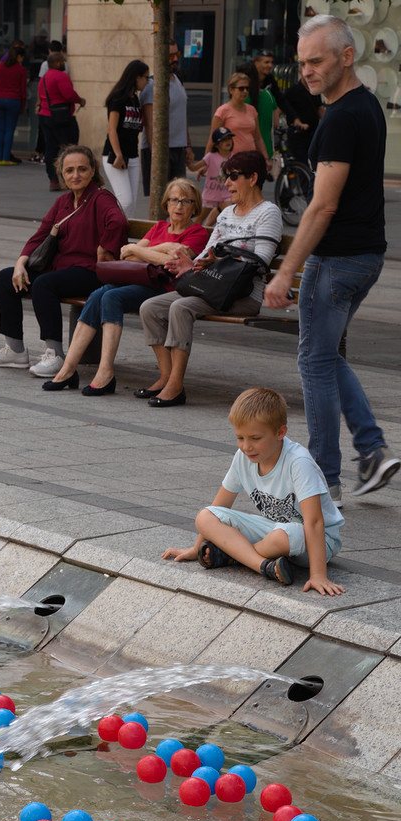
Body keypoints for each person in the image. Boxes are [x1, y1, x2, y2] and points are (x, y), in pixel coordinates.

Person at [265, 15, 397, 497]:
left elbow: (322, 205)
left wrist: (285, 271)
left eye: (316, 60)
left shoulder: (341, 117)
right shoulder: (365, 106)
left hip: (338, 258)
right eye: (301, 63)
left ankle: (323, 479)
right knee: (323, 354)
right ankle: (372, 451)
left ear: (346, 56)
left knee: (314, 361)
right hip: (366, 256)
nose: (306, 71)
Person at [163, 388, 343, 594]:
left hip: (318, 541)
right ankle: (263, 566)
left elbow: (315, 521)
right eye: (240, 438)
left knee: (283, 536)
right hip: (277, 530)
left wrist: (318, 575)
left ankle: (231, 556)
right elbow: (220, 505)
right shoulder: (243, 458)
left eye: (255, 438)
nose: (247, 446)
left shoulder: (298, 462)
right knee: (205, 516)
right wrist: (196, 549)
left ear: (280, 432)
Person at [139, 149, 282, 407]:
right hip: (211, 286)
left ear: (253, 178)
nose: (226, 183)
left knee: (180, 307)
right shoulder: (226, 214)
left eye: (233, 176)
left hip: (242, 294)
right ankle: (166, 376)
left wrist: (218, 259)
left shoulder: (267, 212)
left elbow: (261, 260)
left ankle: (175, 387)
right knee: (150, 307)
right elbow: (208, 251)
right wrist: (192, 263)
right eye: (226, 176)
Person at [43, 177, 207, 394]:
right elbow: (124, 254)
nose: (179, 206)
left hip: (167, 289)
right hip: (142, 281)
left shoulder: (197, 233)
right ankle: (68, 369)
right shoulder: (159, 227)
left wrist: (140, 251)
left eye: (186, 201)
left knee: (111, 297)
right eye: (174, 200)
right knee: (98, 294)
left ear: (195, 206)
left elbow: (173, 261)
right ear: (166, 203)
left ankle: (105, 371)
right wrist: (163, 247)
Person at [0, 145, 127, 375]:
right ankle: (15, 350)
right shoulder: (64, 202)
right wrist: (20, 264)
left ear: (92, 171)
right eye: (69, 171)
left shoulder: (101, 198)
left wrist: (104, 249)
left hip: (90, 271)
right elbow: (40, 235)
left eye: (81, 169)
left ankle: (55, 354)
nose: (75, 175)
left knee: (44, 284)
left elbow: (118, 222)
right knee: (6, 278)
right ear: (62, 174)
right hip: (62, 269)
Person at [140, 42, 190, 198]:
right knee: (160, 199)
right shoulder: (152, 86)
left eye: (177, 55)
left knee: (180, 198)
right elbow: (149, 123)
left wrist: (188, 145)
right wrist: (156, 154)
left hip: (179, 148)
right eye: (170, 56)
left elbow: (183, 116)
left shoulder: (178, 80)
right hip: (159, 151)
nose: (175, 59)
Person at [102, 59, 148, 213]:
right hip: (115, 155)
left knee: (132, 204)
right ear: (137, 77)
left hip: (133, 156)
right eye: (146, 78)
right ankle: (108, 227)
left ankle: (123, 235)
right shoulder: (118, 98)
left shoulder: (135, 99)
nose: (147, 82)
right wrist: (118, 154)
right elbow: (112, 129)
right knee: (125, 201)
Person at [38, 52, 82, 190]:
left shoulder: (43, 78)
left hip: (45, 115)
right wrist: (80, 100)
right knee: (70, 148)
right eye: (63, 61)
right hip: (61, 117)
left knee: (50, 149)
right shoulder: (62, 76)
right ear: (57, 63)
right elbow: (68, 94)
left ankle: (53, 180)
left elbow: (41, 96)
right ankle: (69, 179)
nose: (64, 63)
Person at [0, 43, 26, 165]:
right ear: (18, 57)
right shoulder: (21, 70)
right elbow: (22, 90)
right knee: (9, 130)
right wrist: (23, 106)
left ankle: (0, 157)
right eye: (22, 57)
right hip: (13, 100)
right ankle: (6, 157)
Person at [214, 72, 266, 158]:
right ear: (231, 90)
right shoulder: (223, 111)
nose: (245, 91)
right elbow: (213, 140)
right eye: (241, 88)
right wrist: (207, 163)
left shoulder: (252, 110)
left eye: (247, 88)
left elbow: (258, 138)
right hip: (231, 160)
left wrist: (265, 158)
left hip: (250, 159)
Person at [189, 127, 234, 226]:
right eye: (224, 140)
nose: (228, 142)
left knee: (230, 220)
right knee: (198, 221)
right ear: (217, 145)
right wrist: (188, 160)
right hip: (210, 195)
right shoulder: (211, 156)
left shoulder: (234, 158)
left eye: (229, 139)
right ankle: (191, 236)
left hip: (226, 196)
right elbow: (194, 168)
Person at [253, 50, 281, 153]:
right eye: (266, 62)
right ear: (257, 64)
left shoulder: (270, 81)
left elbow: (281, 99)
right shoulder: (266, 95)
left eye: (271, 62)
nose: (270, 65)